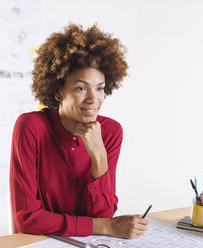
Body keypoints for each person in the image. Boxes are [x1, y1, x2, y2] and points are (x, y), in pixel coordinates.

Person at [9, 23, 148, 239]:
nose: (94, 99)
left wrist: (99, 155)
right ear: (58, 91)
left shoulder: (111, 132)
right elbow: (27, 218)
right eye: (81, 88)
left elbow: (104, 213)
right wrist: (103, 226)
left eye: (100, 88)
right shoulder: (31, 127)